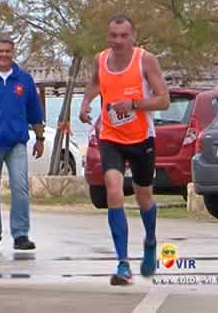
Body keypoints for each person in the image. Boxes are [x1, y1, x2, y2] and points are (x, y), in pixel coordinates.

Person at [79, 14, 169, 285]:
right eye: (113, 36)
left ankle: (150, 241)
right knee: (114, 191)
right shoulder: (101, 59)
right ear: (108, 37)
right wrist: (85, 103)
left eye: (123, 36)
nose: (118, 41)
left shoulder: (146, 60)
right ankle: (122, 264)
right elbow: (96, 82)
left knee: (144, 198)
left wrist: (134, 104)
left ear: (133, 36)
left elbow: (164, 100)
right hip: (111, 136)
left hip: (142, 138)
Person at [0, 38, 45, 254]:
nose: (4, 55)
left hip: (17, 144)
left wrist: (40, 139)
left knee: (21, 189)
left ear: (13, 53)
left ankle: (21, 235)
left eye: (8, 51)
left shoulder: (24, 79)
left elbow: (35, 112)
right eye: (0, 51)